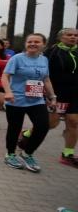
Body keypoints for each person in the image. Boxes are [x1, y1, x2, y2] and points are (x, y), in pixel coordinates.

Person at [20, 28, 78, 168]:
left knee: (74, 122)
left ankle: (68, 154)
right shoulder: (52, 53)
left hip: (74, 93)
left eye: (75, 35)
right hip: (57, 93)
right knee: (52, 123)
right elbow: (44, 74)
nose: (72, 37)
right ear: (60, 37)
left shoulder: (76, 53)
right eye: (69, 35)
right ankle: (27, 133)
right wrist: (46, 92)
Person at [1, 33, 56, 172]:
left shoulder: (44, 60)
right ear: (25, 44)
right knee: (14, 127)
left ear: (43, 44)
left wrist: (53, 96)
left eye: (36, 42)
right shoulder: (17, 58)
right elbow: (5, 76)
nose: (33, 44)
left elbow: (46, 80)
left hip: (36, 99)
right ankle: (10, 154)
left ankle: (27, 153)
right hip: (16, 99)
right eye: (30, 41)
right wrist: (8, 92)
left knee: (43, 126)